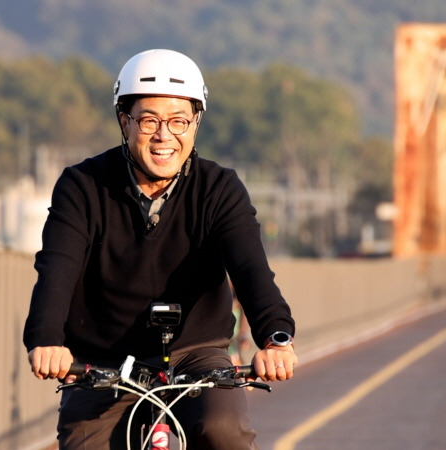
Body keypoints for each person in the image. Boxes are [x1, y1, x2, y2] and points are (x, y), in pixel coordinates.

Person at [23, 48, 297, 449]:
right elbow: (56, 269)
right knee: (84, 442)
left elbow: (251, 270)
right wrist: (46, 338)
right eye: (149, 120)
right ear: (124, 121)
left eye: (179, 121)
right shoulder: (83, 186)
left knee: (222, 429)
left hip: (196, 355)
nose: (164, 136)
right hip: (104, 359)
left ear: (196, 122)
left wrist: (276, 338)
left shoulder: (219, 188)